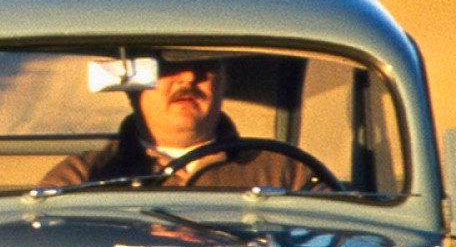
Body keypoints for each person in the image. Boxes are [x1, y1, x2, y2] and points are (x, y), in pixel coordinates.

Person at [44, 57, 314, 191]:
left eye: (204, 65)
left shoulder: (286, 173)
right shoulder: (82, 177)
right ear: (133, 84)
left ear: (223, 80)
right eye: (166, 66)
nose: (187, 77)